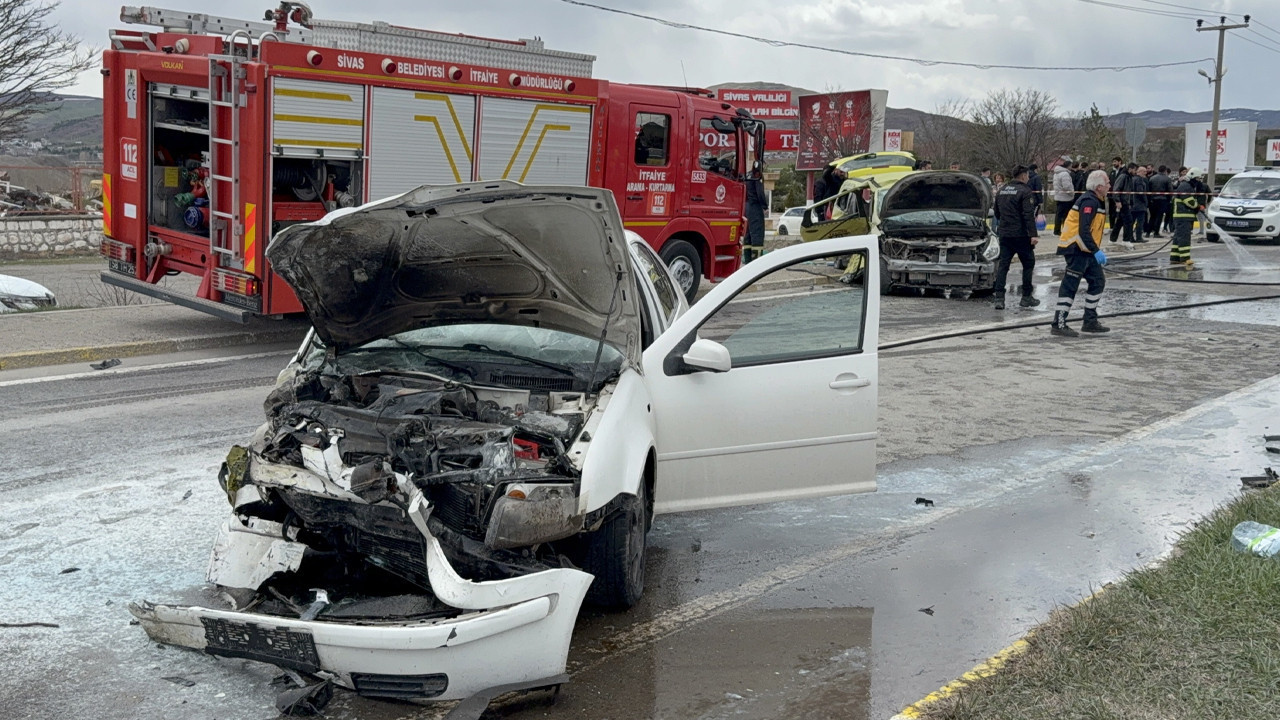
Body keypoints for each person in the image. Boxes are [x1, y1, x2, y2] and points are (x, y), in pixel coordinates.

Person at [1053, 169, 1112, 336]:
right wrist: (1096, 251)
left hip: (1086, 250)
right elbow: (1084, 229)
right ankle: (1059, 323)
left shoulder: (1097, 200)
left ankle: (1090, 321)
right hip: (1076, 248)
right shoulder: (1089, 201)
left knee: (1098, 281)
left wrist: (1094, 251)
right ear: (1099, 186)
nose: (1109, 185)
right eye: (1107, 183)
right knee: (1070, 286)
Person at [991, 165, 1040, 310]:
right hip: (1021, 235)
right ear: (1023, 176)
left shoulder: (1002, 190)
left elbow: (997, 213)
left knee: (1003, 266)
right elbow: (1028, 215)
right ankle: (1026, 296)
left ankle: (999, 298)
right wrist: (1033, 234)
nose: (1029, 178)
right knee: (1028, 264)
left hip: (1005, 234)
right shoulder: (1025, 191)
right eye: (1027, 175)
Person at [1171, 168, 1200, 267]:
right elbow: (1189, 201)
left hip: (1182, 216)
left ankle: (1175, 258)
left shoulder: (1185, 185)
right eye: (1198, 178)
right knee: (1184, 237)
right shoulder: (1186, 186)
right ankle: (1185, 258)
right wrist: (1198, 206)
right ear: (1192, 177)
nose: (1198, 180)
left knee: (1178, 238)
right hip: (1183, 216)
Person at [743, 162, 767, 263]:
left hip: (746, 208)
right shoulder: (757, 176)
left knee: (747, 235)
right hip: (755, 207)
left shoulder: (747, 175)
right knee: (757, 234)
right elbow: (760, 192)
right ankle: (757, 263)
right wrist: (765, 206)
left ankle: (748, 260)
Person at [1109, 161, 1132, 244]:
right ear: (1130, 169)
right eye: (1135, 170)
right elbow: (1116, 189)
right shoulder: (1123, 176)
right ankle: (1126, 240)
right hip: (1122, 202)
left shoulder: (1128, 177)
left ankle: (1112, 239)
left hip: (1125, 202)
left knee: (1120, 221)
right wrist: (1117, 201)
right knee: (1128, 221)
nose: (1135, 172)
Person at [1126, 164, 1149, 244]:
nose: (1146, 173)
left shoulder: (1132, 179)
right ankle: (1139, 237)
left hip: (1132, 204)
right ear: (1140, 172)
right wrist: (1145, 201)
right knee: (1140, 222)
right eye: (1144, 172)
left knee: (1131, 221)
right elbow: (1140, 192)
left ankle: (1130, 237)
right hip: (1139, 205)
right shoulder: (1139, 180)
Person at [1051, 158, 1075, 235]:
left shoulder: (1056, 173)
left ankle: (1056, 230)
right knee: (1066, 215)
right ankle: (1065, 230)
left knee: (1058, 215)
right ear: (1068, 166)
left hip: (1058, 196)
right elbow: (1067, 186)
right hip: (1065, 197)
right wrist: (1072, 193)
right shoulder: (1065, 174)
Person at [1146, 165, 1171, 238]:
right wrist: (1168, 200)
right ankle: (1156, 232)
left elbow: (1149, 189)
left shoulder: (1152, 178)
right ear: (1165, 171)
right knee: (1159, 217)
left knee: (1152, 216)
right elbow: (1170, 191)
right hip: (1163, 200)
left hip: (1153, 200)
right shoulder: (1167, 179)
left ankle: (1148, 232)